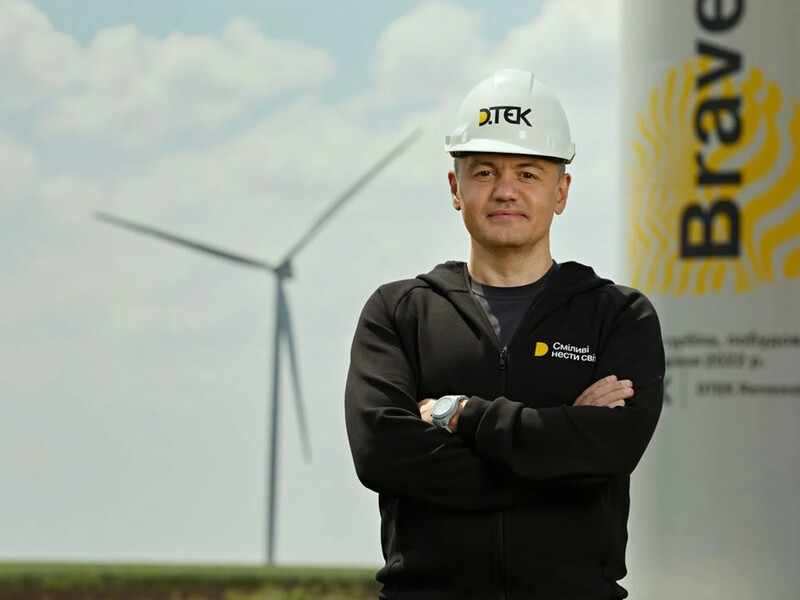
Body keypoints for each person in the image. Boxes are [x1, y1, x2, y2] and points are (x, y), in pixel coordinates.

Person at [344, 68, 664, 600]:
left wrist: (463, 415)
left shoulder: (618, 315)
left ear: (561, 191)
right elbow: (383, 454)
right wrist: (559, 459)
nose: (506, 190)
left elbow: (610, 452)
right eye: (485, 172)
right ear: (456, 188)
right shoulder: (399, 313)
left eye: (529, 173)